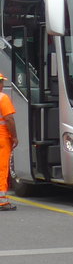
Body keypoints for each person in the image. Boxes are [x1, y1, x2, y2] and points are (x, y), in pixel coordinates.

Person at [0, 73, 17, 210]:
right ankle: (2, 201)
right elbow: (9, 119)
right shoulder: (2, 98)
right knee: (2, 168)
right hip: (2, 138)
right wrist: (14, 137)